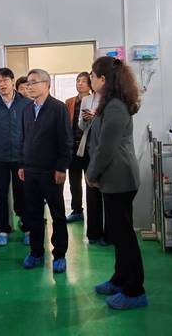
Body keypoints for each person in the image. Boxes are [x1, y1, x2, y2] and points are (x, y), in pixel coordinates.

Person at [86, 57, 147, 310]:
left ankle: (135, 291)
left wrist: (91, 174)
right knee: (118, 234)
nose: (90, 79)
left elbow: (106, 148)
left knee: (124, 237)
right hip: (114, 178)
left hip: (119, 178)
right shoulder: (109, 103)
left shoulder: (115, 107)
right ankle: (120, 279)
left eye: (92, 75)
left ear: (103, 79)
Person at [18, 69, 72, 273]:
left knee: (57, 214)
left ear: (47, 84)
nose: (29, 86)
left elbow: (65, 140)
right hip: (30, 170)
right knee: (33, 214)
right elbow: (22, 139)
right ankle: (36, 253)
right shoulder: (26, 109)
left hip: (51, 171)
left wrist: (61, 167)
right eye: (28, 82)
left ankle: (59, 254)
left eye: (34, 82)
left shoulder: (58, 108)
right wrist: (22, 164)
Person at [0, 68, 31, 246]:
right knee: (1, 194)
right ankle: (3, 229)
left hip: (20, 157)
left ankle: (27, 228)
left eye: (5, 80)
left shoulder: (26, 103)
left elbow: (29, 129)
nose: (2, 84)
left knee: (23, 194)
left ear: (12, 81)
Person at [78, 90, 110, 245]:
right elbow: (81, 125)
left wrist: (96, 117)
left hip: (105, 149)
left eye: (94, 78)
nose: (92, 80)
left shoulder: (111, 99)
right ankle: (93, 232)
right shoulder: (86, 99)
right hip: (90, 149)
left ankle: (109, 234)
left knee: (108, 193)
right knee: (91, 192)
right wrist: (86, 119)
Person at [64, 72, 92, 222]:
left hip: (88, 148)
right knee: (74, 181)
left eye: (83, 81)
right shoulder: (69, 102)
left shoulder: (95, 101)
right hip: (73, 147)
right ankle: (77, 210)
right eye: (77, 81)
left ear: (90, 84)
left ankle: (93, 211)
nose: (79, 83)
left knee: (90, 180)